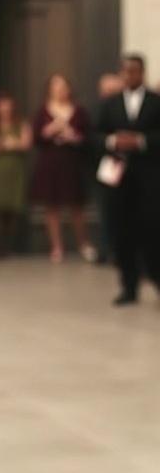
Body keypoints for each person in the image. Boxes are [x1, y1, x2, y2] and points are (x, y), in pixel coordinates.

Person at [93, 55, 160, 306]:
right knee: (122, 232)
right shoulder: (110, 104)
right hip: (118, 177)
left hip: (149, 178)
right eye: (126, 71)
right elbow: (97, 135)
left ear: (142, 73)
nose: (130, 75)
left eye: (135, 71)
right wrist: (113, 141)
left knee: (152, 230)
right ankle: (128, 286)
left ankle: (156, 277)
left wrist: (140, 141)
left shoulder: (156, 102)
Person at [29, 74, 93, 263]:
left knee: (76, 205)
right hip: (50, 162)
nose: (60, 90)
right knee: (52, 206)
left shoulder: (79, 111)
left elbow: (88, 137)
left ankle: (84, 243)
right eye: (55, 86)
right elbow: (35, 138)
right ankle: (57, 246)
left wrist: (72, 135)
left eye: (63, 86)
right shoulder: (42, 111)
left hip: (71, 162)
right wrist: (50, 131)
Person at [0, 92, 32, 258]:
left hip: (14, 168)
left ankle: (11, 245)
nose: (5, 108)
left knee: (13, 207)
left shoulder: (21, 123)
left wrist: (10, 144)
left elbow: (25, 144)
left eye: (8, 104)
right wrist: (3, 145)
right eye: (2, 104)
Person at [93, 73, 125, 264]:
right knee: (107, 209)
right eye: (106, 91)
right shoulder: (100, 109)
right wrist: (112, 141)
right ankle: (107, 249)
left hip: (136, 165)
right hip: (109, 163)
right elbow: (94, 135)